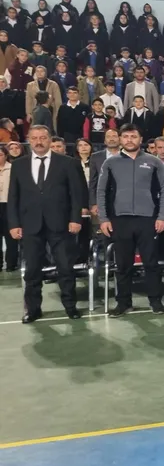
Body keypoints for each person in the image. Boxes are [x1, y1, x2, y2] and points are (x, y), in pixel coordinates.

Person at [8, 125, 87, 323]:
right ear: (29, 140)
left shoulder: (67, 163)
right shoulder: (19, 165)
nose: (39, 142)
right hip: (30, 225)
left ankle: (70, 307)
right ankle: (33, 309)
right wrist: (14, 224)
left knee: (65, 268)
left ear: (50, 139)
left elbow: (77, 195)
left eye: (43, 137)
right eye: (34, 138)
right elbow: (13, 197)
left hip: (61, 224)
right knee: (32, 271)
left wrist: (75, 219)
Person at [97, 124, 164, 316]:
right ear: (120, 139)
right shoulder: (110, 163)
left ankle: (155, 301)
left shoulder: (154, 162)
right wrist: (103, 218)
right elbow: (101, 191)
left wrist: (162, 216)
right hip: (120, 220)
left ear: (140, 139)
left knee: (151, 263)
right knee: (123, 265)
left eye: (133, 136)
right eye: (126, 136)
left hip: (148, 220)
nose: (129, 140)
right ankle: (123, 302)